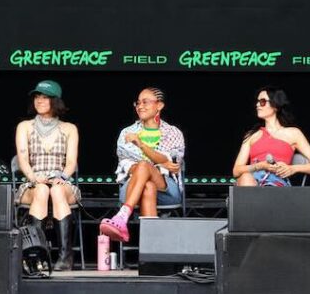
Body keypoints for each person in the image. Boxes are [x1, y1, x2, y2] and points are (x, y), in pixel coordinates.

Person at [99, 87, 186, 243]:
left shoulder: (173, 133)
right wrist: (159, 162)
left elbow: (172, 163)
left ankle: (122, 215)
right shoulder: (128, 132)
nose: (140, 106)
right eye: (138, 103)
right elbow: (127, 164)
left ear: (159, 106)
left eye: (145, 102)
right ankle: (153, 250)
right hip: (132, 185)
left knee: (144, 165)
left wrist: (140, 145)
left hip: (167, 189)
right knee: (147, 185)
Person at [15, 80, 80, 271]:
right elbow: (23, 160)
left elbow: (70, 164)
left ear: (55, 101)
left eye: (45, 97)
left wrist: (62, 177)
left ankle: (64, 256)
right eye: (37, 97)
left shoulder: (69, 129)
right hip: (34, 182)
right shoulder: (24, 126)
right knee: (42, 190)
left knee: (57, 191)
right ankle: (37, 254)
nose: (39, 101)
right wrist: (34, 178)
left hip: (61, 180)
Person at [231, 87, 310, 186]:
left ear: (275, 105)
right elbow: (236, 170)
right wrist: (260, 166)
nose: (257, 105)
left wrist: (293, 168)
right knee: (245, 177)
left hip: (277, 182)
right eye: (257, 102)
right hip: (251, 181)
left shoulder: (293, 133)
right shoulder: (252, 135)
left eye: (262, 102)